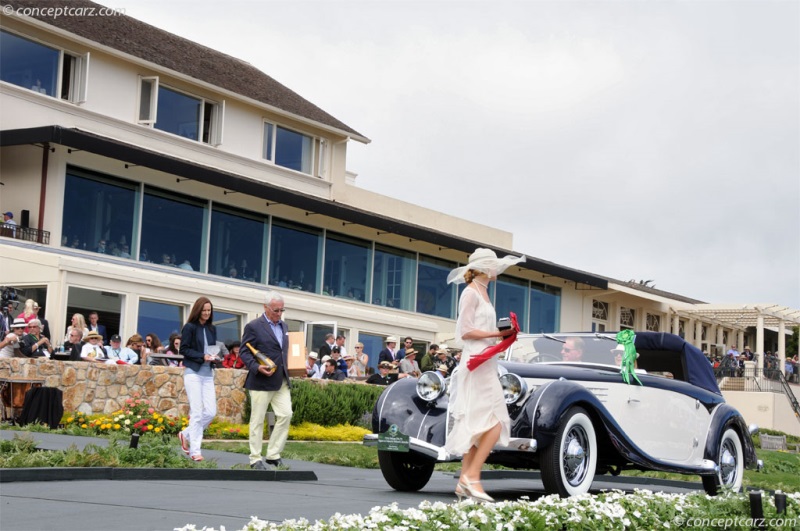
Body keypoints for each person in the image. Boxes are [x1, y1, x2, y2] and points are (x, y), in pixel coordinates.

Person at [444, 248, 524, 503]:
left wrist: (502, 333)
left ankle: (464, 481)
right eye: (494, 266)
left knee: (479, 421)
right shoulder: (470, 293)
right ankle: (473, 478)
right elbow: (465, 331)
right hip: (477, 361)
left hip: (487, 361)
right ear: (485, 268)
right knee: (496, 421)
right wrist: (498, 335)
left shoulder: (483, 291)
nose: (497, 270)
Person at [240, 291, 292, 471]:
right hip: (261, 380)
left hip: (281, 379)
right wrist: (256, 367)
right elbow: (244, 352)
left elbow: (283, 352)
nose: (279, 313)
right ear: (265, 307)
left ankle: (273, 454)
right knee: (257, 420)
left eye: (281, 310)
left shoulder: (285, 327)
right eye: (276, 310)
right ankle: (255, 458)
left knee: (286, 414)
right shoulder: (254, 326)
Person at [178, 297, 219, 462]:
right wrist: (203, 356)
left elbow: (210, 349)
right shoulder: (189, 327)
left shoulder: (212, 329)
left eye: (209, 310)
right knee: (196, 412)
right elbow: (184, 349)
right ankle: (195, 450)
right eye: (204, 310)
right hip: (193, 373)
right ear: (198, 310)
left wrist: (213, 357)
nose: (207, 313)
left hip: (208, 374)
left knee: (210, 412)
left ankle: (185, 434)